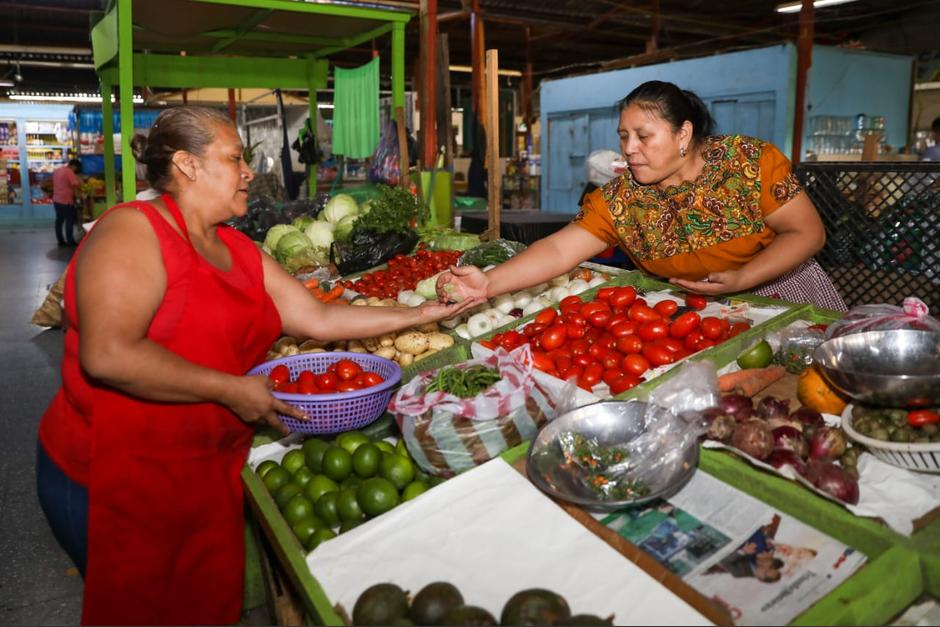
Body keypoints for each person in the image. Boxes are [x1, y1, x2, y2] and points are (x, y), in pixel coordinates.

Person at [35, 106, 479, 626]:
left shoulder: (237, 249)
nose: (249, 172)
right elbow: (109, 354)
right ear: (187, 165)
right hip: (115, 475)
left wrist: (420, 313)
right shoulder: (132, 233)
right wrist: (230, 390)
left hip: (205, 470)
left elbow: (315, 316)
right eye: (234, 158)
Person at [439, 81, 846, 311]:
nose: (630, 148)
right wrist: (486, 283)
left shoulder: (748, 161)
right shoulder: (620, 199)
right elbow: (559, 251)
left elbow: (807, 234)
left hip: (785, 294)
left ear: (683, 134)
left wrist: (743, 278)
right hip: (702, 311)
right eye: (624, 136)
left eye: (643, 136)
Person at [52, 158, 82, 246]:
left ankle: (60, 241)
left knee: (59, 221)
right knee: (69, 221)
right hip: (66, 200)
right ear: (74, 166)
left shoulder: (57, 171)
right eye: (76, 168)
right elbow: (75, 185)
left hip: (56, 199)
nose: (75, 170)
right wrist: (78, 197)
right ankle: (70, 241)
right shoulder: (69, 172)